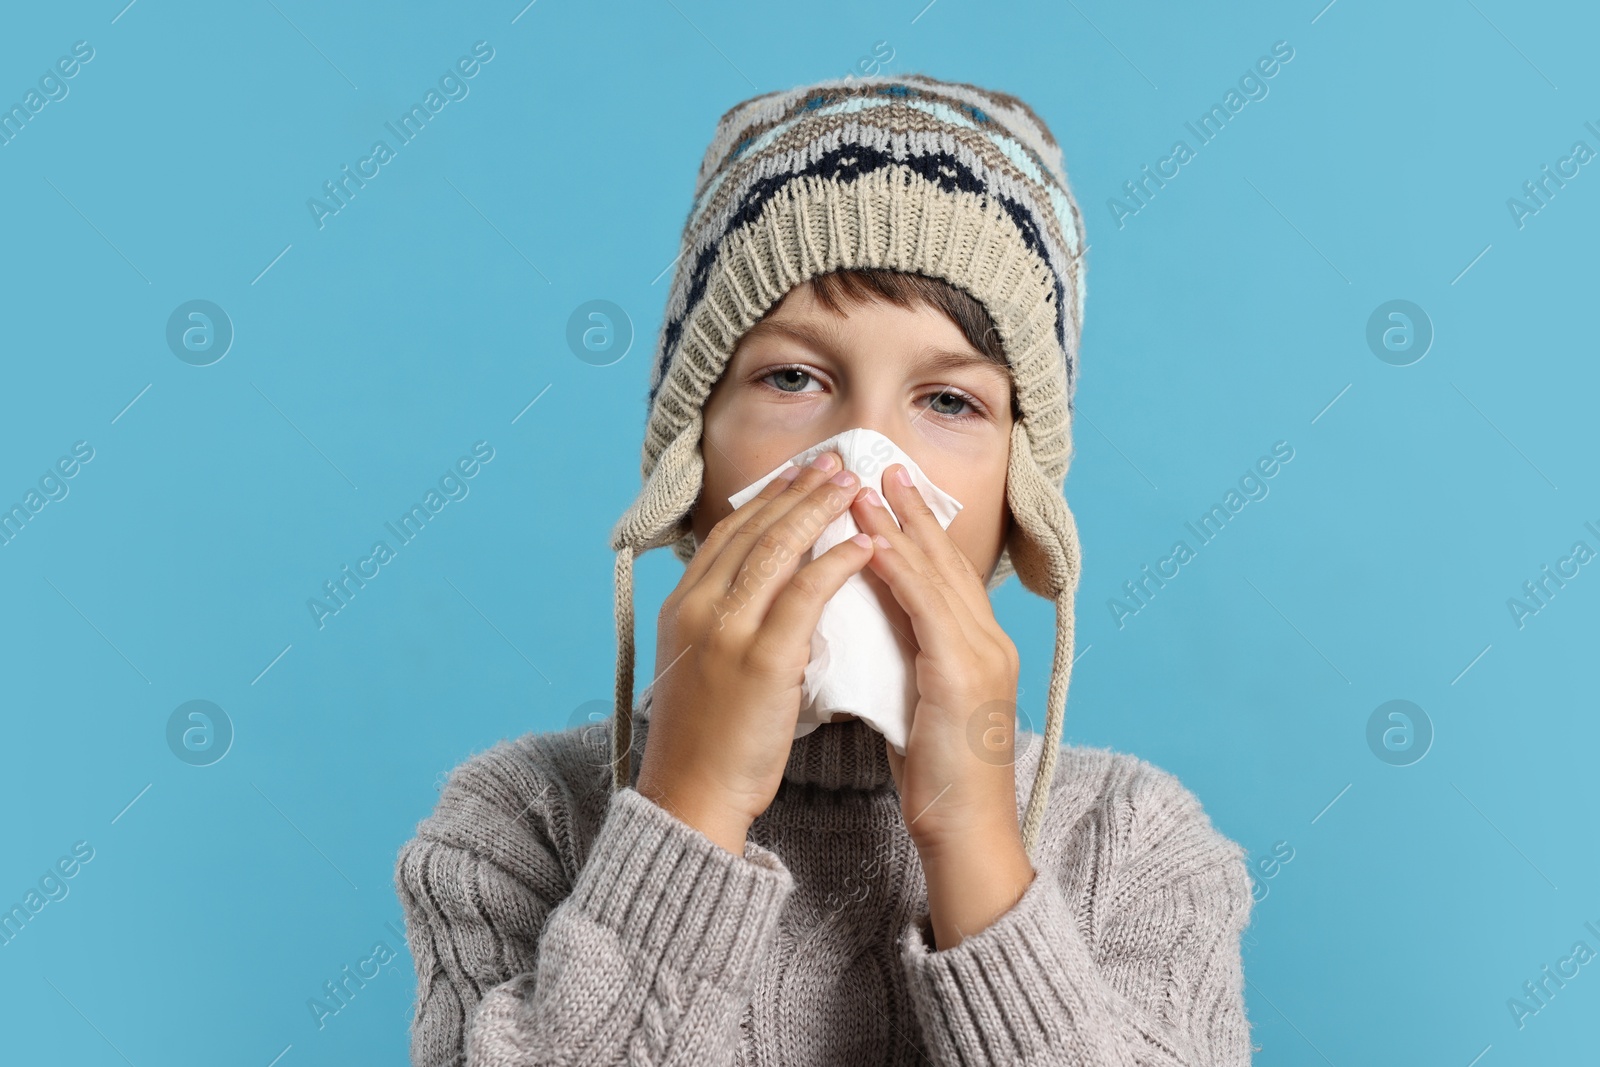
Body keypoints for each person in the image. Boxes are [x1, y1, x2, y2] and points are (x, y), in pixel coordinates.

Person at [394, 72, 1256, 1066]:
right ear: (690, 458)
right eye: (794, 378)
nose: (860, 460)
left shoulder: (1135, 840)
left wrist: (973, 841)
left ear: (1024, 497)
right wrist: (691, 803)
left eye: (946, 400)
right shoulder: (520, 819)